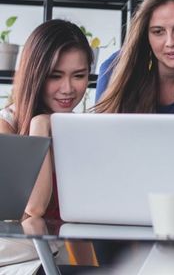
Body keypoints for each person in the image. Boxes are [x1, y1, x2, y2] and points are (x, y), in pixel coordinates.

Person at [0, 19, 98, 271]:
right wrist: (40, 126)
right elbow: (33, 209)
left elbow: (77, 223)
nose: (68, 89)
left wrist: (95, 271)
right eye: (55, 76)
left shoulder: (75, 132)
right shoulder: (5, 127)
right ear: (36, 75)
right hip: (14, 260)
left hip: (51, 259)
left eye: (79, 76)